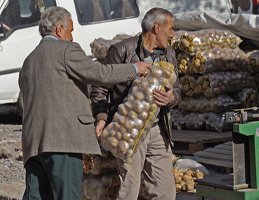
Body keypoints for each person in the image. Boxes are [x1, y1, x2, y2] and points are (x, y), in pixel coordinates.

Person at [18, 6, 150, 200]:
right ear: (59, 29)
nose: (72, 37)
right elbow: (99, 74)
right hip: (62, 142)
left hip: (33, 144)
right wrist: (134, 68)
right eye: (71, 30)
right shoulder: (66, 49)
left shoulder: (29, 60)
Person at [91, 7, 181, 200]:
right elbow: (100, 87)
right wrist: (101, 117)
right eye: (171, 29)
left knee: (165, 190)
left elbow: (179, 91)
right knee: (129, 189)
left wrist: (171, 98)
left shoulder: (169, 53)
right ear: (157, 28)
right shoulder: (122, 50)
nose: (173, 34)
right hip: (128, 130)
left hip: (158, 130)